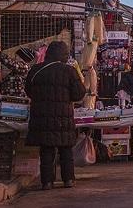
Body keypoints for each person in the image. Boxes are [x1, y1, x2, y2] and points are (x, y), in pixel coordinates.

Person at [24, 41, 86, 190]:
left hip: (41, 117)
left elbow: (28, 91)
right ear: (64, 54)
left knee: (46, 150)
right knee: (66, 150)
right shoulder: (69, 71)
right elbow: (79, 93)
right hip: (62, 118)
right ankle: (68, 180)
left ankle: (47, 182)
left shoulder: (36, 69)